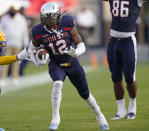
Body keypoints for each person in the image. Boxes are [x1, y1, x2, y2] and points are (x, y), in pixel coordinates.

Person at [29, 2, 109, 131]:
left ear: (59, 16)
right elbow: (32, 48)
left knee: (85, 94)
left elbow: (80, 43)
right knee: (57, 83)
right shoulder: (38, 31)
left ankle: (99, 115)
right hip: (55, 63)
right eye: (47, 19)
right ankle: (55, 117)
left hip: (71, 62)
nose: (50, 22)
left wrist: (76, 52)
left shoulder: (67, 22)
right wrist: (38, 60)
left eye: (52, 18)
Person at [104, 0, 143, 120]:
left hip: (128, 41)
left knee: (130, 78)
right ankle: (121, 110)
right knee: (115, 77)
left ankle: (132, 106)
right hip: (113, 41)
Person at [0, 6, 29, 85]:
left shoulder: (21, 18)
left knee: (16, 61)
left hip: (18, 43)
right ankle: (3, 78)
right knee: (5, 61)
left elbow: (24, 31)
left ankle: (14, 77)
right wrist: (1, 42)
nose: (12, 11)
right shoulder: (4, 18)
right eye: (11, 10)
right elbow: (0, 30)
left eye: (13, 10)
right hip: (7, 43)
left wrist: (25, 43)